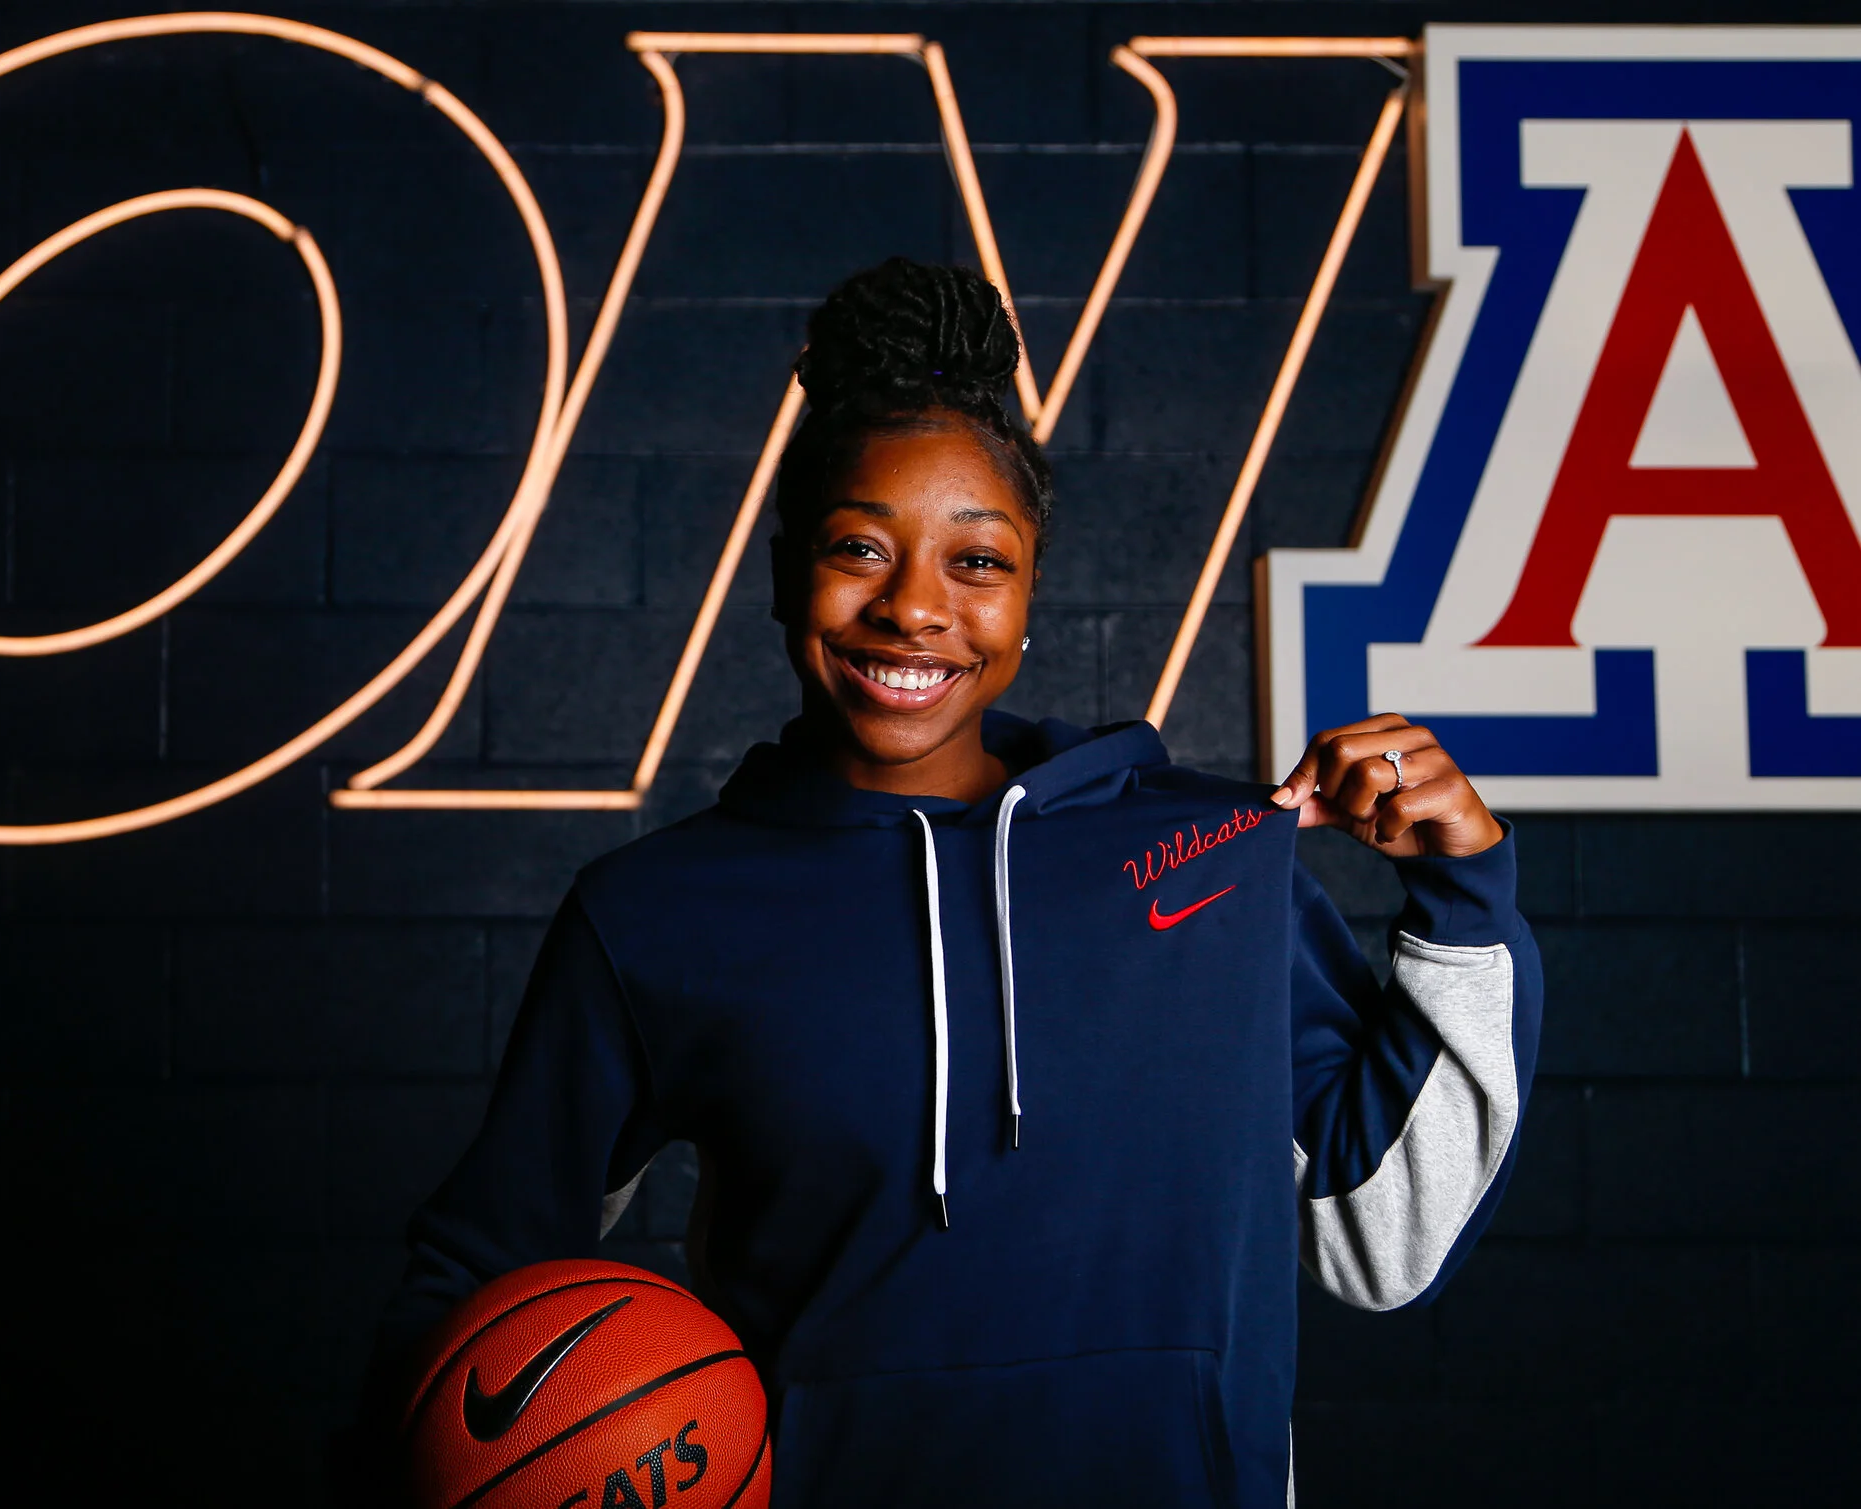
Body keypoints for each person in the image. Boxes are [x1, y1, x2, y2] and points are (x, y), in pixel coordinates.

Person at [361, 258, 1541, 1506]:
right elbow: (483, 1279)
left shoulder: (1210, 864)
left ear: (1028, 595)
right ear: (783, 579)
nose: (913, 608)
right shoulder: (656, 916)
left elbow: (1387, 1234)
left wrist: (1464, 895)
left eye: (975, 562)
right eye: (857, 549)